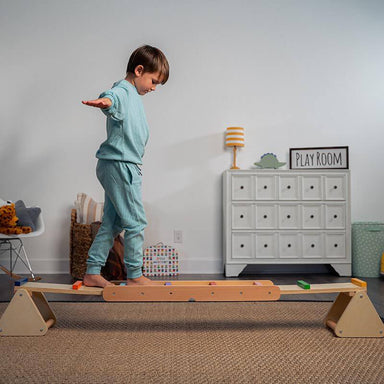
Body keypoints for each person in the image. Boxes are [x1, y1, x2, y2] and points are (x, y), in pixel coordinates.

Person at [81, 45, 169, 287]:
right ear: (139, 70)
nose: (153, 87)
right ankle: (134, 275)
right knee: (136, 222)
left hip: (119, 165)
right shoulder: (124, 90)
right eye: (153, 81)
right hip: (120, 165)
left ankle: (92, 272)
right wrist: (105, 102)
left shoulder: (134, 96)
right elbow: (113, 98)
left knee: (113, 222)